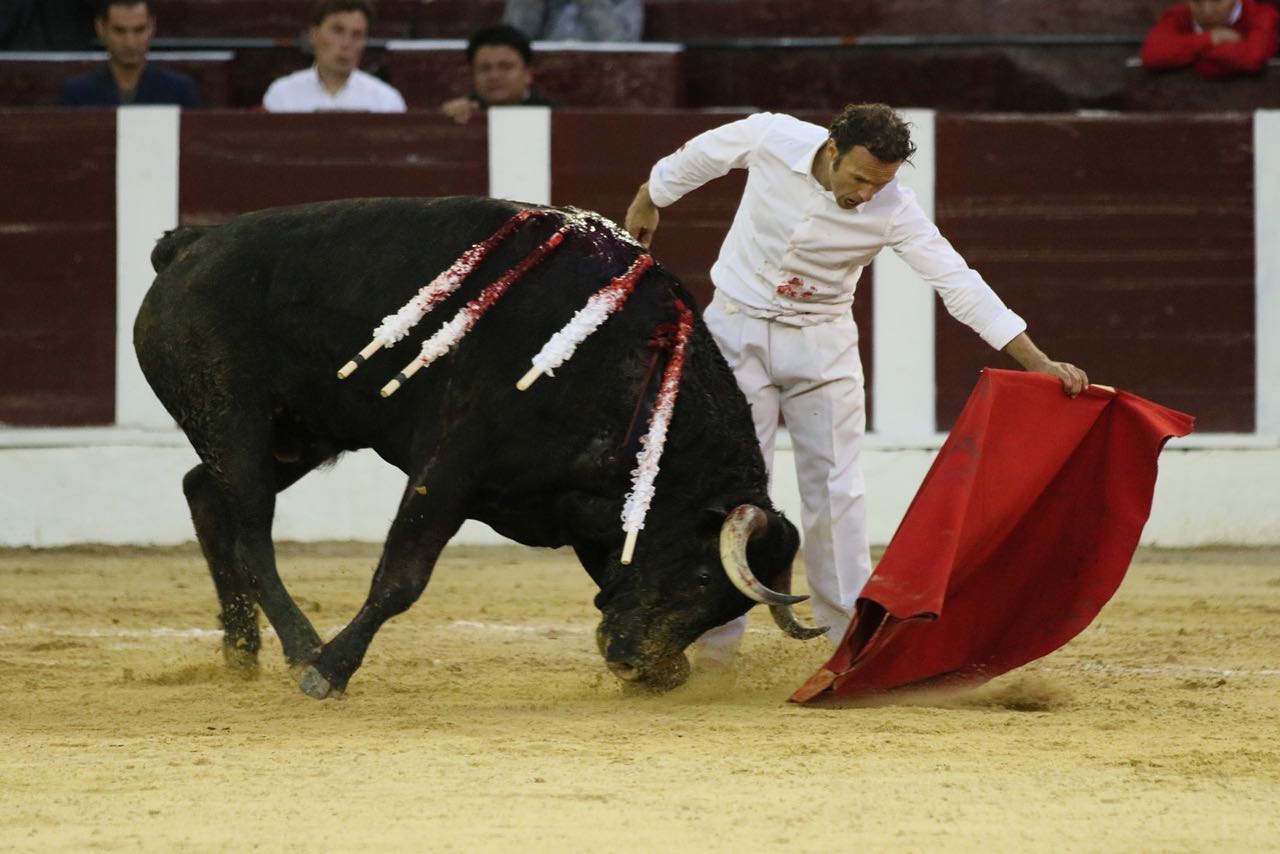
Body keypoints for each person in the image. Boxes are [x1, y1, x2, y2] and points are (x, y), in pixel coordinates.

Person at [624, 105, 1089, 666]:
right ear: (831, 151)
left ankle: (849, 643)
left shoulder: (895, 207)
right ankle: (709, 645)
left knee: (838, 491)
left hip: (821, 345)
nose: (868, 194)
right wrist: (651, 196)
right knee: (728, 488)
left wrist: (1035, 360)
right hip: (734, 332)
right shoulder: (773, 136)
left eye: (882, 182)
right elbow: (700, 157)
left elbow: (957, 280)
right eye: (860, 178)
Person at [262, 0, 405, 113]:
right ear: (314, 35)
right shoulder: (283, 94)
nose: (346, 44)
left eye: (357, 35)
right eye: (337, 31)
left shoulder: (386, 101)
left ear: (364, 43)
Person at [57, 0, 198, 108]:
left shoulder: (179, 91)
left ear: (151, 27)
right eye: (119, 31)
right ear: (101, 29)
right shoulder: (77, 93)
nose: (130, 43)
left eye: (139, 30)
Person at [439, 24, 553, 125]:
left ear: (528, 74)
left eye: (506, 67)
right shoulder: (461, 113)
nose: (494, 76)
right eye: (485, 68)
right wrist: (444, 117)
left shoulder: (553, 115)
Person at [1141, 0, 1279, 77]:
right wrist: (1210, 39)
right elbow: (1151, 55)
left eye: (1217, 1)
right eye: (1197, 2)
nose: (1207, 11)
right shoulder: (1178, 16)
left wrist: (1190, 56)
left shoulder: (1261, 15)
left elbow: (1252, 59)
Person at [502, 0, 643, 42]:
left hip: (604, 74)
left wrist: (590, 4)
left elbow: (623, 45)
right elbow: (510, 44)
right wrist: (531, 4)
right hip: (541, 75)